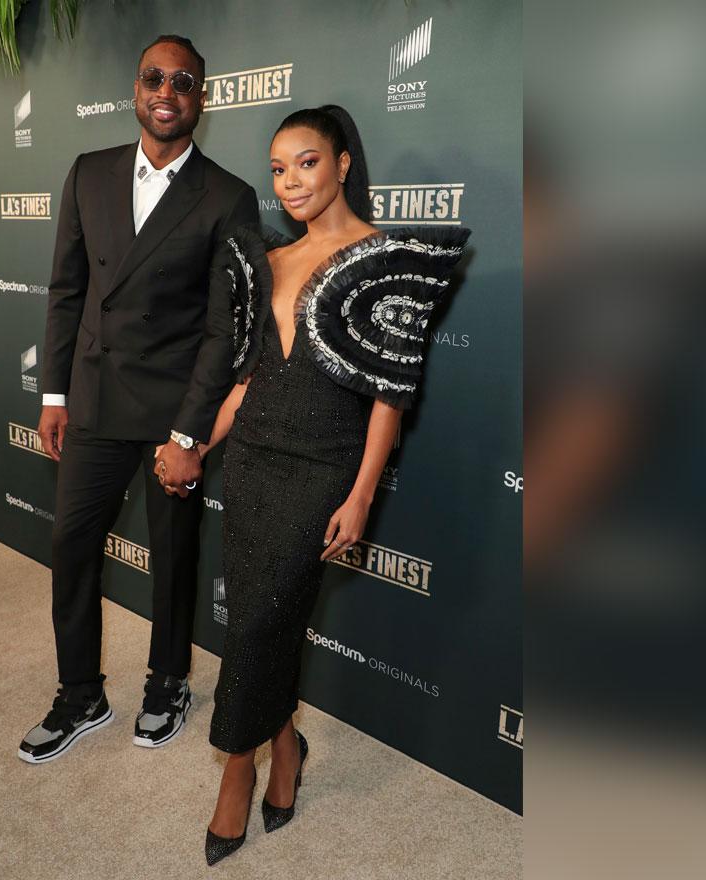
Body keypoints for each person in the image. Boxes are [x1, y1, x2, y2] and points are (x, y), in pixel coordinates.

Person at [170, 106, 470, 864]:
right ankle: (286, 747)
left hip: (324, 468)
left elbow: (390, 398)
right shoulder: (269, 260)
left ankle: (237, 774)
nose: (290, 181)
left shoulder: (387, 258)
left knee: (263, 619)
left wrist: (363, 493)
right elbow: (248, 381)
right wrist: (197, 445)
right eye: (277, 168)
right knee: (257, 623)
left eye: (305, 162)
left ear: (341, 163)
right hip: (255, 460)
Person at [18, 34, 259, 764]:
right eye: (154, 77)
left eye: (182, 81)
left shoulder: (228, 196)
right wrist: (54, 392)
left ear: (201, 99)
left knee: (175, 555)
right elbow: (67, 293)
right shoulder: (88, 173)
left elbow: (227, 331)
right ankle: (80, 692)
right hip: (91, 398)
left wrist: (190, 435)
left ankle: (168, 680)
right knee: (71, 547)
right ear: (135, 88)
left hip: (170, 414)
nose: (166, 91)